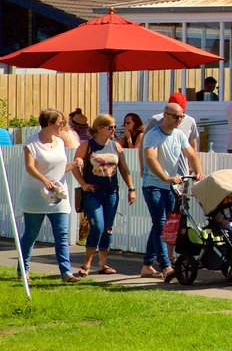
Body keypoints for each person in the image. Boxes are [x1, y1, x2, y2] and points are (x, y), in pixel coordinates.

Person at [141, 102, 205, 280]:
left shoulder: (178, 135)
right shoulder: (153, 135)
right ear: (165, 115)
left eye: (181, 117)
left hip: (170, 187)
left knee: (164, 225)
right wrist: (165, 177)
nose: (179, 120)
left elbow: (191, 154)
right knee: (161, 224)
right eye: (176, 116)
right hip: (153, 185)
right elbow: (151, 159)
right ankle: (166, 266)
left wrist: (197, 170)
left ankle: (147, 265)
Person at [17, 108, 79, 282]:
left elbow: (59, 168)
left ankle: (66, 272)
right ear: (49, 123)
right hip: (36, 197)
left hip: (57, 196)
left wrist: (73, 164)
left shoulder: (59, 142)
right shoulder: (32, 143)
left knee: (62, 234)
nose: (62, 125)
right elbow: (30, 167)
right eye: (60, 122)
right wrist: (44, 180)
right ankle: (23, 269)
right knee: (30, 234)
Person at [71, 113, 136, 276]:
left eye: (115, 127)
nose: (113, 130)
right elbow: (74, 166)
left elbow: (124, 169)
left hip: (111, 192)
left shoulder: (116, 146)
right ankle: (87, 263)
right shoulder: (87, 145)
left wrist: (131, 188)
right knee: (97, 226)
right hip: (93, 192)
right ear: (100, 128)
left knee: (107, 228)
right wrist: (83, 184)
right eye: (110, 127)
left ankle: (103, 264)